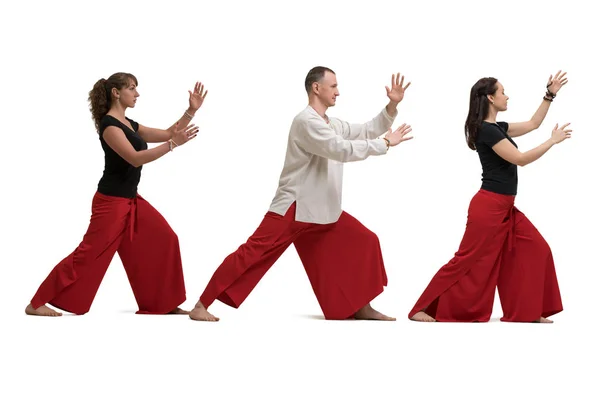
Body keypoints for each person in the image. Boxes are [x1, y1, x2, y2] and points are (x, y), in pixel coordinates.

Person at [190, 67, 413, 322]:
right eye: (333, 86)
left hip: (321, 210)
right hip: (293, 207)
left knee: (365, 240)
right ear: (316, 88)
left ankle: (362, 306)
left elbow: (365, 130)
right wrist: (385, 143)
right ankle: (201, 304)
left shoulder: (331, 123)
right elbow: (340, 150)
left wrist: (391, 106)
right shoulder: (306, 121)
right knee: (251, 253)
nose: (338, 92)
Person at [25, 72, 206, 316]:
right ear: (116, 92)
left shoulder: (129, 124)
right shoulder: (109, 127)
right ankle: (36, 303)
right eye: (132, 88)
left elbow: (168, 132)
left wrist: (190, 111)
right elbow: (135, 158)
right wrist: (173, 145)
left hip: (131, 200)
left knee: (166, 238)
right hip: (110, 203)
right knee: (87, 255)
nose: (137, 93)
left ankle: (162, 303)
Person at [409, 71, 570, 323]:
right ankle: (422, 308)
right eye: (503, 92)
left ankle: (526, 312)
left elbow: (532, 124)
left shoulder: (498, 128)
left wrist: (549, 94)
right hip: (489, 207)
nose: (507, 96)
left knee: (537, 249)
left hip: (506, 207)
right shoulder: (486, 130)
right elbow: (520, 159)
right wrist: (552, 141)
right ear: (490, 98)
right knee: (465, 259)